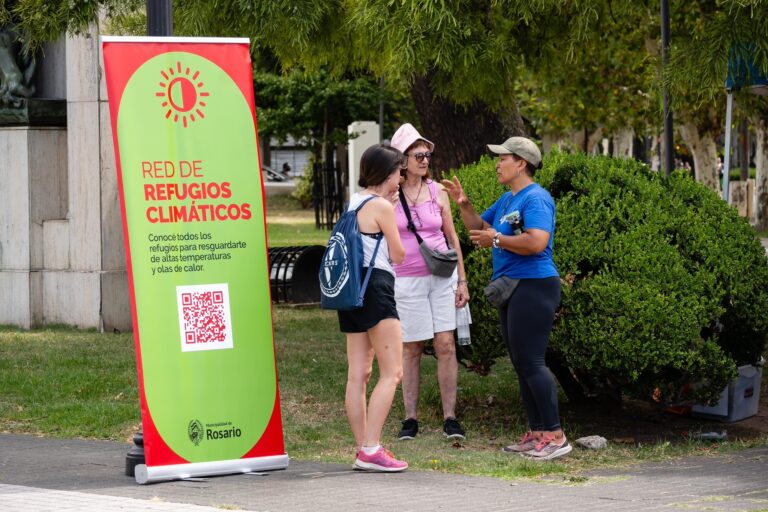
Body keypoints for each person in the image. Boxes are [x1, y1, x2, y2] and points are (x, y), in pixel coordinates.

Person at [441, 136, 572, 461]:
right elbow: (479, 229)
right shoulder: (506, 199)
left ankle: (556, 436)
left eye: (503, 158)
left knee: (532, 361)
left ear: (521, 163)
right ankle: (537, 432)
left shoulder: (536, 198)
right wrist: (464, 204)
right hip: (513, 286)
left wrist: (497, 239)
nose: (498, 164)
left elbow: (537, 242)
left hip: (534, 285)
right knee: (521, 363)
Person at [390, 123, 470, 441]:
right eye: (418, 155)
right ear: (403, 160)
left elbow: (452, 238)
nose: (425, 160)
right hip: (406, 279)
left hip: (442, 276)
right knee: (411, 347)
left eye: (427, 155)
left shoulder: (438, 191)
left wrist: (462, 280)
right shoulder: (391, 194)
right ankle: (410, 418)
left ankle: (450, 417)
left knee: (445, 344)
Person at [339, 143, 408, 472]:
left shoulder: (354, 202)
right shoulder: (382, 206)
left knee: (358, 374)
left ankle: (362, 447)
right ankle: (371, 449)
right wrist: (391, 211)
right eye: (399, 171)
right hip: (376, 286)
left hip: (351, 288)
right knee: (392, 372)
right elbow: (398, 255)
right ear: (388, 173)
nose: (401, 177)